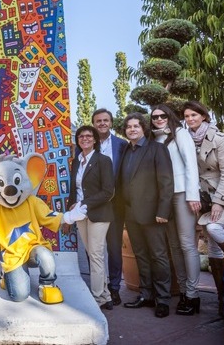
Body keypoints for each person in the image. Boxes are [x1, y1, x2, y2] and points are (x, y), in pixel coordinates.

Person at [182, 100, 224, 317]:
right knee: (211, 245)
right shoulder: (186, 141)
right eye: (187, 116)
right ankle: (221, 299)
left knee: (213, 229)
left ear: (203, 116)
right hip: (204, 196)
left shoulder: (220, 139)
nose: (191, 119)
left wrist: (220, 201)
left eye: (194, 115)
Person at [118, 113, 174, 318]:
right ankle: (146, 295)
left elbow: (166, 182)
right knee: (140, 255)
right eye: (129, 127)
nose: (132, 129)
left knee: (158, 256)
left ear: (143, 128)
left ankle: (163, 299)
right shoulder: (126, 150)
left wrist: (163, 211)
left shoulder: (157, 149)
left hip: (153, 214)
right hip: (130, 213)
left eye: (136, 126)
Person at [150, 104, 201, 316]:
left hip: (182, 194)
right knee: (174, 246)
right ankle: (183, 291)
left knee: (187, 244)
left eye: (163, 115)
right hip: (165, 197)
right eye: (155, 117)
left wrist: (192, 195)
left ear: (169, 116)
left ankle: (193, 294)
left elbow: (191, 164)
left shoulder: (180, 133)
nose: (159, 119)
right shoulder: (155, 138)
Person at [69, 125, 115, 310]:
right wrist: (71, 212)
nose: (85, 139)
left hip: (98, 213)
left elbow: (108, 191)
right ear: (77, 140)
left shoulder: (103, 160)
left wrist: (84, 203)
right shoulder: (75, 161)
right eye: (81, 136)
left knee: (96, 255)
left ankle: (96, 299)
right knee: (92, 254)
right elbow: (74, 189)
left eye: (89, 136)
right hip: (79, 215)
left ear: (95, 139)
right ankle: (105, 295)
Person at [92, 108, 127, 305]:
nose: (102, 123)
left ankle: (114, 288)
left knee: (114, 247)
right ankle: (98, 287)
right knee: (94, 249)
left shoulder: (122, 145)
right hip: (94, 205)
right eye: (98, 121)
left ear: (111, 123)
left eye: (106, 120)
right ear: (94, 123)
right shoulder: (86, 144)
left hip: (116, 205)